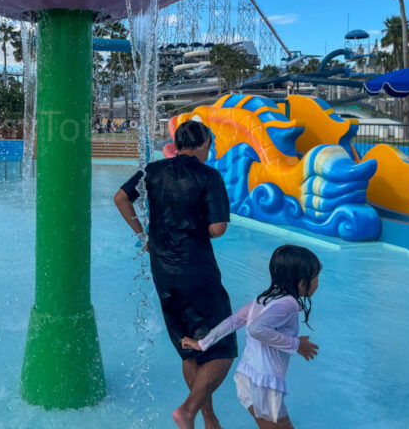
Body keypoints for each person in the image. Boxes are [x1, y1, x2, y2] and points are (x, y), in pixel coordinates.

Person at [114, 120, 234, 429]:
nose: (211, 148)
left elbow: (121, 198)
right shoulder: (208, 176)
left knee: (188, 348)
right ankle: (189, 410)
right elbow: (217, 229)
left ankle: (208, 420)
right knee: (222, 349)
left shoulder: (152, 171)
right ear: (202, 142)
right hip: (198, 273)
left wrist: (144, 237)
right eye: (210, 142)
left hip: (164, 273)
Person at [180, 245, 322, 429]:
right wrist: (296, 344)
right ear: (302, 283)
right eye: (316, 278)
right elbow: (257, 328)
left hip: (247, 378)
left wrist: (203, 343)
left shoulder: (264, 299)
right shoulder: (288, 304)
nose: (318, 282)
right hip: (263, 385)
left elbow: (233, 321)